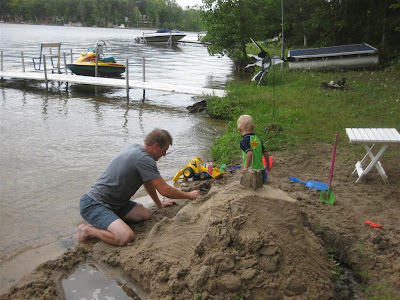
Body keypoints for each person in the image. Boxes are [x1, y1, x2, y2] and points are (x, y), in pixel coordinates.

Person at [77, 128, 201, 246]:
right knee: (126, 237)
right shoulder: (144, 159)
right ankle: (87, 230)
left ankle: (111, 221)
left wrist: (159, 204)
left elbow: (147, 182)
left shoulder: (134, 148)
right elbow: (164, 190)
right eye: (164, 150)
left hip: (117, 204)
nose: (164, 154)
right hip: (93, 204)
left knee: (144, 214)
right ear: (156, 146)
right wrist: (189, 195)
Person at [237, 115, 271, 182]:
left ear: (239, 129)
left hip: (252, 171)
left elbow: (249, 153)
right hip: (261, 170)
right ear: (253, 127)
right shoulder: (258, 140)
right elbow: (266, 153)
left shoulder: (244, 141)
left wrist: (246, 167)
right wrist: (268, 166)